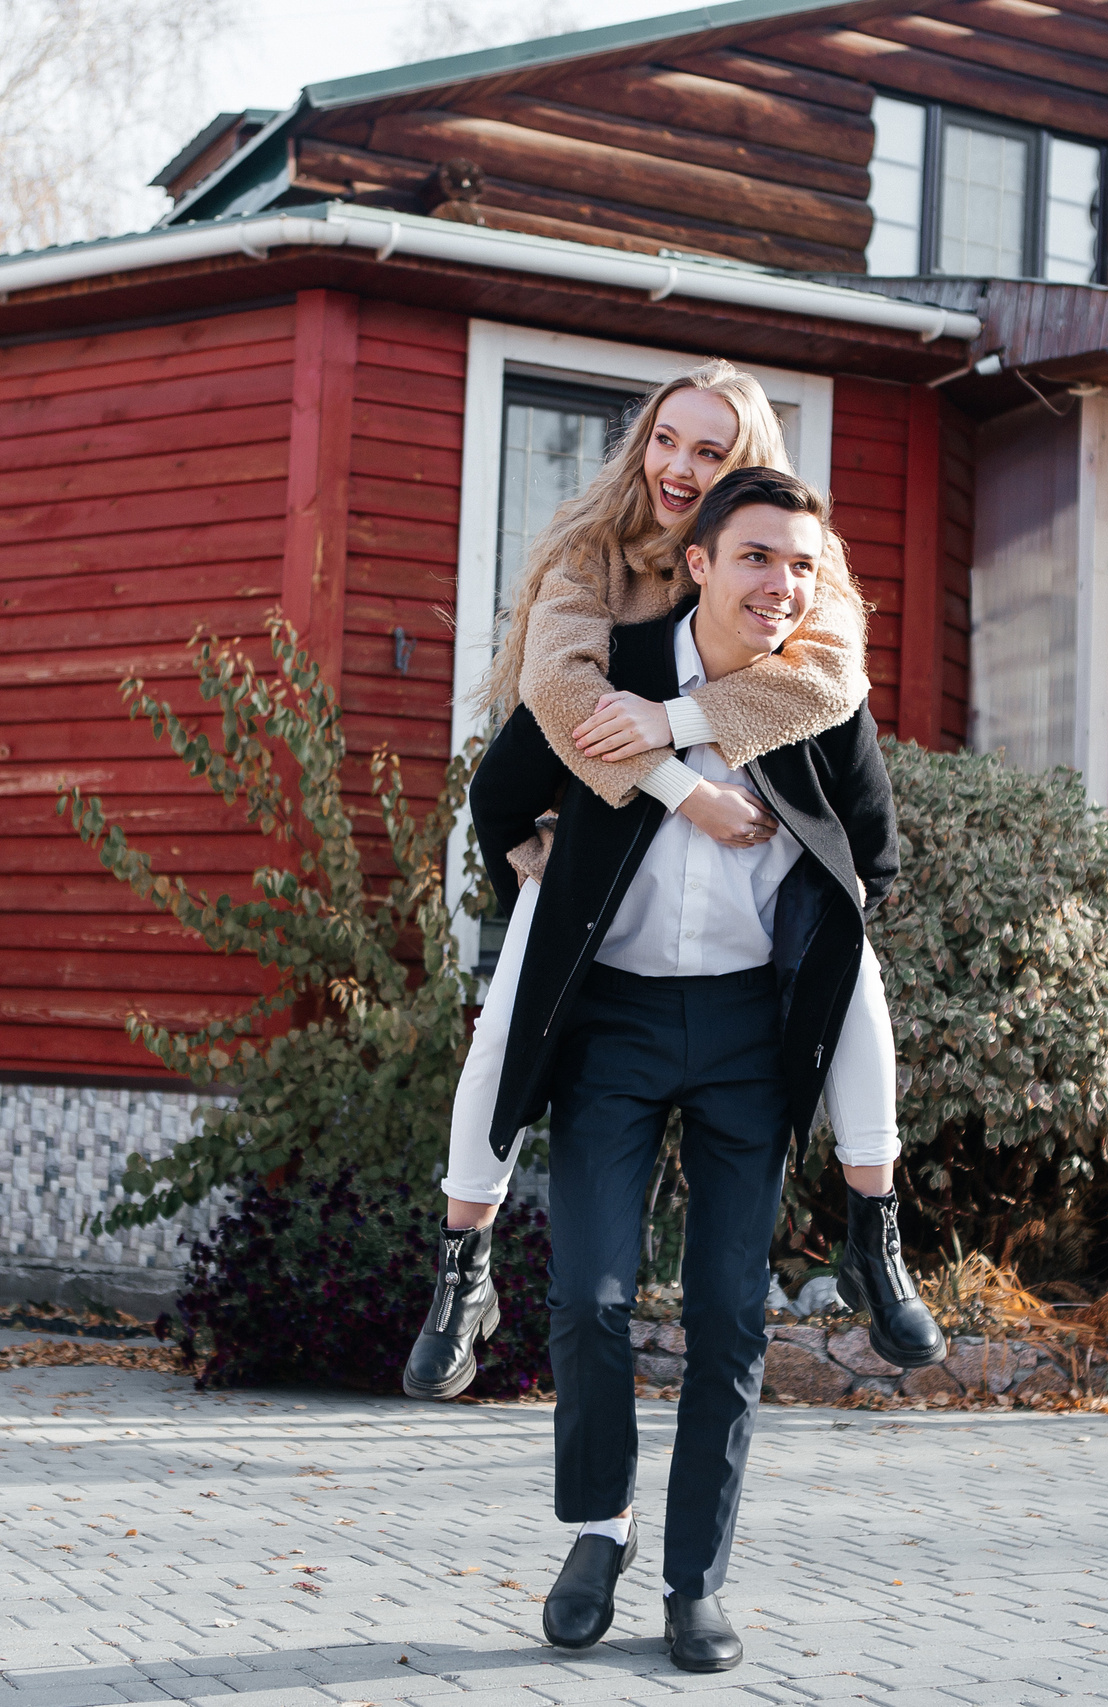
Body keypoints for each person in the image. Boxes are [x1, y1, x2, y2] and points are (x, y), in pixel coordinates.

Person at [454, 467, 920, 1673]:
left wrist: (815, 932)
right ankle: (594, 1532)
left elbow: (874, 854)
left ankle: (695, 1585)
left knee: (725, 1318)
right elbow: (497, 793)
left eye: (802, 566)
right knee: (589, 1296)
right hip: (607, 1028)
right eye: (758, 557)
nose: (782, 584)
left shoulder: (814, 701)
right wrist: (543, 878)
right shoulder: (608, 674)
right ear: (700, 562)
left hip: (742, 1044)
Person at [403, 364, 940, 1408]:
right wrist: (676, 788)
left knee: (850, 971)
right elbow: (559, 694)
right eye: (666, 440)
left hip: (748, 870)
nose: (681, 465)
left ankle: (876, 1232)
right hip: (598, 831)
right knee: (506, 1030)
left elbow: (829, 682)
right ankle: (462, 1269)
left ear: (747, 472)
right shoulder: (593, 556)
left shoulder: (788, 559)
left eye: (710, 449)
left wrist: (685, 721)